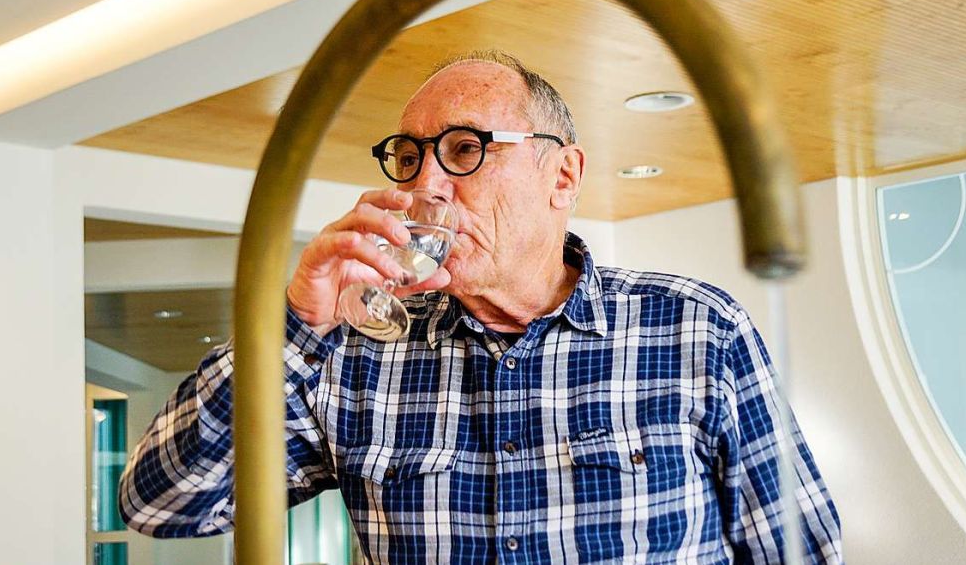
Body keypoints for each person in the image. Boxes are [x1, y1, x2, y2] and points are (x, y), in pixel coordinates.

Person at [119, 50, 843, 563]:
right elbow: (161, 503)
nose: (425, 186)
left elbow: (800, 549)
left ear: (563, 175)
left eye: (465, 149)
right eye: (409, 158)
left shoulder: (696, 331)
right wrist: (296, 328)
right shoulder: (353, 357)